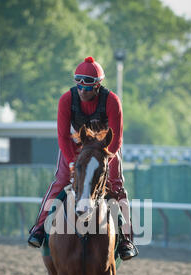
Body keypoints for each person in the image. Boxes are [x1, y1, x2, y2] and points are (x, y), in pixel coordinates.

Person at [28, 56, 138, 261]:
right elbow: (62, 135)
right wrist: (72, 161)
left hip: (105, 148)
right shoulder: (66, 100)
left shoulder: (112, 100)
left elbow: (117, 137)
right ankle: (39, 228)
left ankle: (126, 239)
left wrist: (106, 158)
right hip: (75, 147)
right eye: (78, 86)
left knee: (116, 185)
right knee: (61, 181)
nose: (81, 91)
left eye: (87, 88)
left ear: (97, 86)